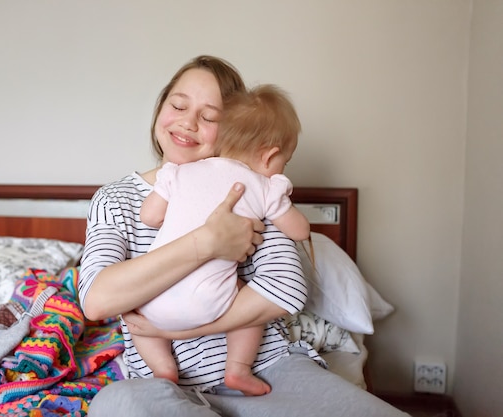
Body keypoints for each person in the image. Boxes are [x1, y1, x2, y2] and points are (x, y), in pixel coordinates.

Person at [78, 55, 409, 417]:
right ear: (161, 109)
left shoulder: (247, 189)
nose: (188, 122)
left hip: (266, 371)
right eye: (178, 105)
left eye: (209, 117)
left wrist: (183, 331)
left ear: (236, 129)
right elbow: (97, 299)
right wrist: (206, 243)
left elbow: (287, 289)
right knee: (114, 404)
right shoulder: (116, 200)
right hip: (162, 388)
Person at [133, 84, 311, 396]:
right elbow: (300, 232)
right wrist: (283, 194)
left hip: (152, 301)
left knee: (131, 309)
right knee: (247, 301)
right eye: (287, 160)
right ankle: (238, 369)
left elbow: (148, 216)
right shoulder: (263, 187)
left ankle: (162, 369)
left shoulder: (180, 172)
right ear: (270, 156)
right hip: (207, 303)